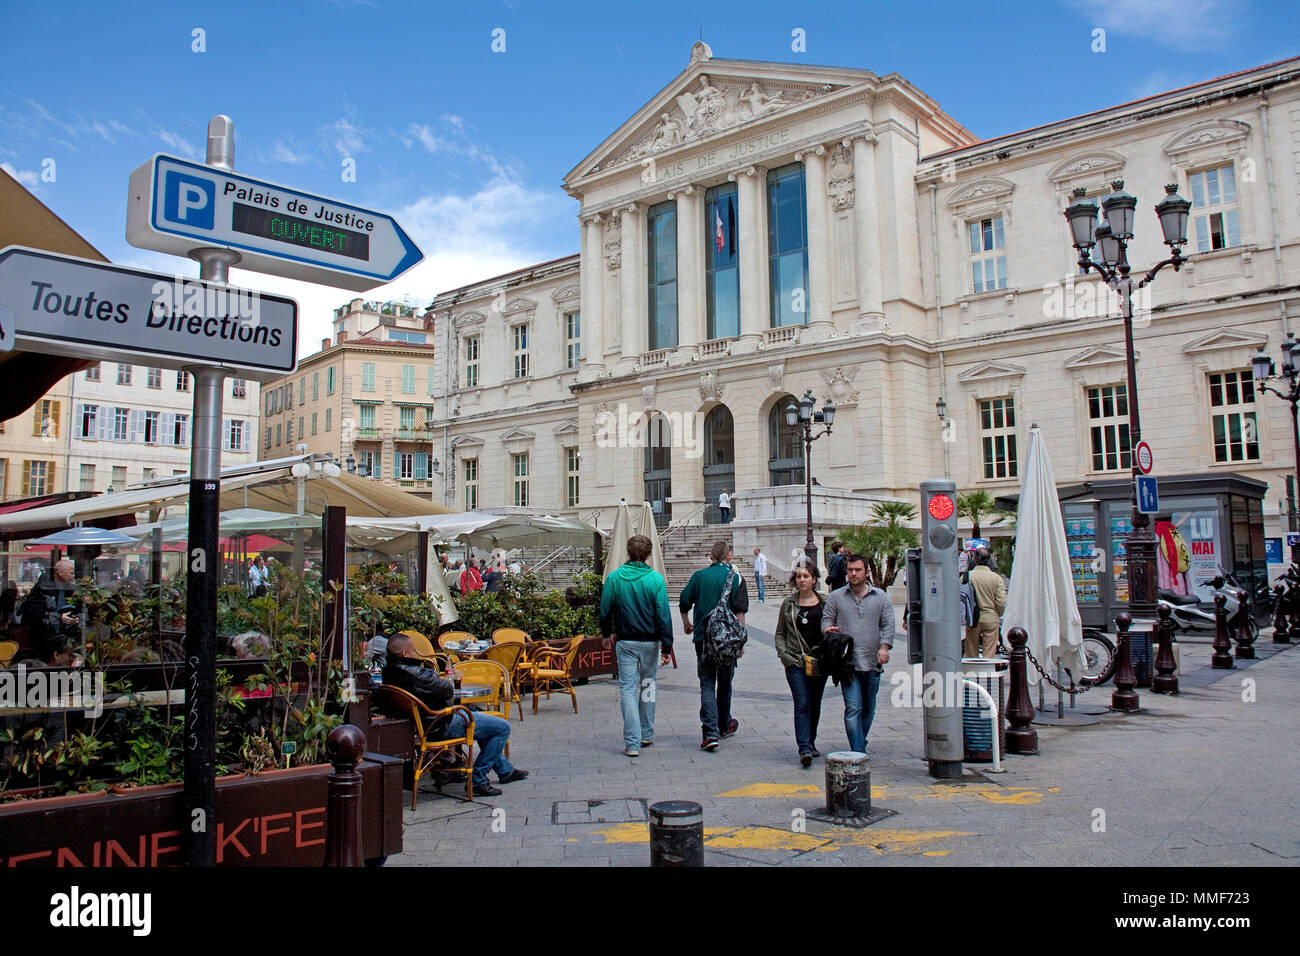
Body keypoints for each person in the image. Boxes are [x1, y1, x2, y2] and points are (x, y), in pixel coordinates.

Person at [381, 633, 528, 796]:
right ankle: (478, 779)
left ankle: (505, 770)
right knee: (502, 727)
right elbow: (447, 690)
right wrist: (433, 674)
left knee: (485, 723)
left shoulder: (389, 671)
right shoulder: (417, 675)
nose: (416, 653)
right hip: (441, 724)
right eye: (413, 650)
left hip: (422, 724)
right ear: (405, 654)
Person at [600, 534, 673, 757]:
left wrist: (605, 634)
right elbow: (663, 614)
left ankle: (632, 742)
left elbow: (605, 609)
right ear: (648, 554)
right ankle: (647, 732)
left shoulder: (614, 578)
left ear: (628, 552)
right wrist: (667, 645)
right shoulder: (656, 580)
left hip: (626, 641)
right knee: (649, 685)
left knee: (628, 690)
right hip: (650, 641)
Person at [822, 552, 895, 756]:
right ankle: (858, 751)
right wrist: (827, 630)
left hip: (872, 662)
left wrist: (884, 647)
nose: (853, 574)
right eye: (850, 570)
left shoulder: (880, 597)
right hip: (847, 663)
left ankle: (859, 740)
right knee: (853, 708)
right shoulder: (836, 596)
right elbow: (827, 619)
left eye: (858, 570)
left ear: (866, 572)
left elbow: (888, 624)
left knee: (868, 708)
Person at [679, 540, 748, 752]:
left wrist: (687, 623)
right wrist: (740, 641)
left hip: (703, 639)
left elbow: (683, 602)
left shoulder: (699, 577)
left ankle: (709, 734)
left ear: (710, 556)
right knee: (725, 683)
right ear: (729, 557)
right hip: (727, 640)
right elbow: (740, 612)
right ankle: (724, 725)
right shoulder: (736, 577)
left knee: (707, 683)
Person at [774, 558, 828, 767]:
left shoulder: (824, 603)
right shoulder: (789, 604)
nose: (802, 580)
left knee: (815, 704)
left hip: (818, 662)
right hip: (796, 661)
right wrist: (785, 656)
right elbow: (780, 633)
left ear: (814, 579)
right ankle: (804, 747)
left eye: (806, 576)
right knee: (802, 702)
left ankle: (811, 741)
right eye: (798, 577)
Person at [19, 558, 80, 664]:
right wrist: (58, 617)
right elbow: (34, 613)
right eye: (71, 573)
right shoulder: (42, 589)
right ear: (60, 572)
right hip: (44, 638)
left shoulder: (71, 590)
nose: (73, 576)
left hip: (65, 634)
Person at [964, 546, 1007, 658]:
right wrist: (998, 613)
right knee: (989, 653)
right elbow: (1001, 601)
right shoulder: (996, 578)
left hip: (973, 617)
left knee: (971, 652)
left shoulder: (967, 577)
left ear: (974, 559)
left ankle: (971, 673)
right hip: (991, 617)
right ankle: (987, 673)